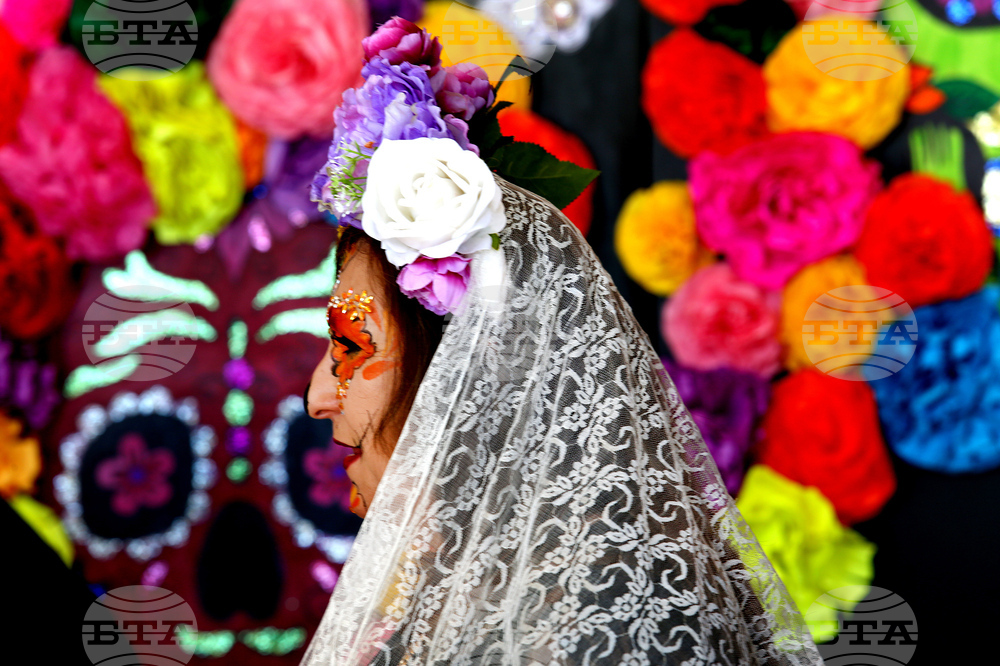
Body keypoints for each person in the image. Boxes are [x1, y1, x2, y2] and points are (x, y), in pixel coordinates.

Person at [301, 171, 823, 664]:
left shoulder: (612, 618)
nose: (317, 397)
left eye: (350, 346)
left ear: (480, 370)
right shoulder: (440, 590)